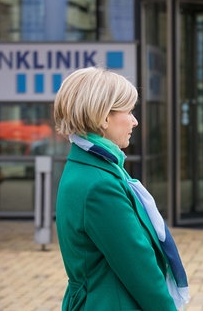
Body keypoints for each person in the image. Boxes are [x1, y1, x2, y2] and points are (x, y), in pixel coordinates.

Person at [54, 67, 189, 310]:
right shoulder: (100, 184)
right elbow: (139, 267)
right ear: (104, 117)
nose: (135, 121)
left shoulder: (90, 167)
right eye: (128, 111)